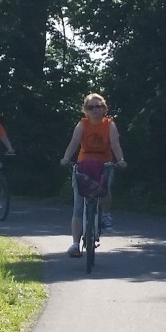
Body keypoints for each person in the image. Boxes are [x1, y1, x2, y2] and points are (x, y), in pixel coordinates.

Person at [60, 93, 127, 256]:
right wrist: (66, 158)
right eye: (91, 107)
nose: (95, 110)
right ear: (86, 110)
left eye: (99, 106)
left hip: (104, 164)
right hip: (83, 165)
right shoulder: (82, 124)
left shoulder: (109, 125)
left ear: (104, 109)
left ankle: (106, 215)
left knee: (105, 190)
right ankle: (75, 244)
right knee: (78, 205)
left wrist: (120, 160)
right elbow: (74, 143)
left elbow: (115, 145)